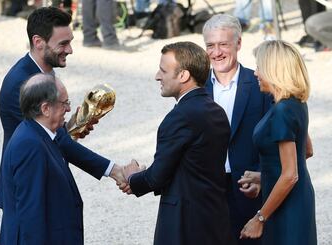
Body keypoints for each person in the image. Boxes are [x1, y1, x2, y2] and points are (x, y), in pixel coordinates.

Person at [0, 7, 125, 210]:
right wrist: (114, 170)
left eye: (70, 41)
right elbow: (49, 139)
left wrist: (74, 125)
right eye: (63, 44)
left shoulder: (42, 72)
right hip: (27, 191)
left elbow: (51, 133)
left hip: (44, 180)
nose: (70, 50)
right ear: (38, 42)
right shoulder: (20, 84)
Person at [120, 41, 234, 245]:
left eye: (163, 71)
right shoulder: (217, 111)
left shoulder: (180, 117)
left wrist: (132, 177)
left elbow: (157, 177)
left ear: (183, 75)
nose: (157, 76)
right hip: (215, 219)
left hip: (184, 225)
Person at [202, 13, 272, 245]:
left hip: (250, 190)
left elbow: (276, 141)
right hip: (208, 192)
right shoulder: (196, 89)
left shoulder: (260, 85)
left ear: (239, 43)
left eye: (223, 44)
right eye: (210, 45)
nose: (216, 52)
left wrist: (263, 176)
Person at [240, 40, 317, 245]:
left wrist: (259, 218)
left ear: (273, 70)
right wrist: (262, 175)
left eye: (259, 67)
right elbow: (306, 150)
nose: (255, 73)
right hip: (293, 198)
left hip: (288, 205)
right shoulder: (295, 103)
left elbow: (290, 175)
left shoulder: (282, 111)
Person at [0, 73, 86, 244]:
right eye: (64, 103)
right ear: (45, 109)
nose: (69, 109)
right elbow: (32, 219)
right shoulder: (30, 146)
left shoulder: (40, 134)